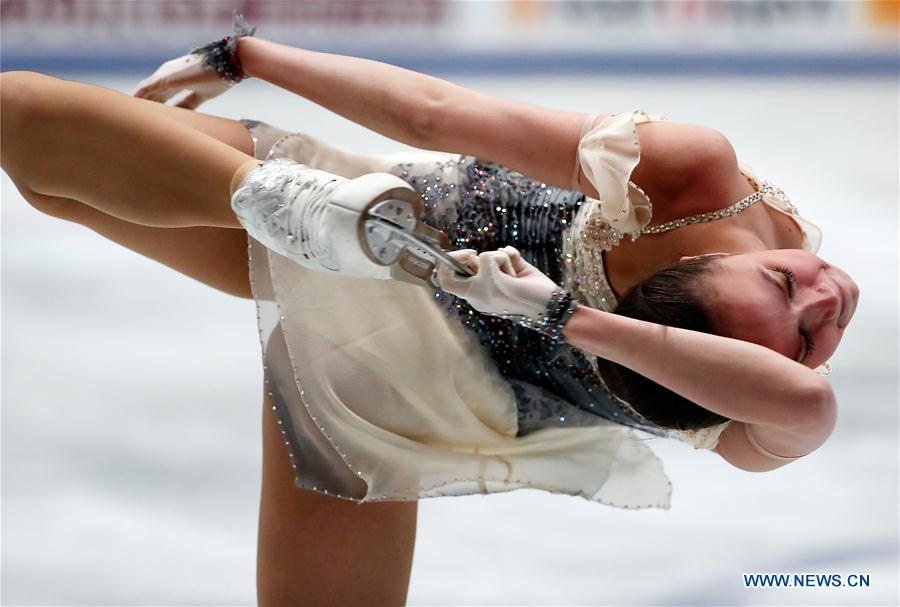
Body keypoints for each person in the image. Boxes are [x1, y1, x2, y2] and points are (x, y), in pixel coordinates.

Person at [0, 17, 857, 604]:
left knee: (38, 143)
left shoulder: (765, 414)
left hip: (407, 379)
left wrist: (558, 314)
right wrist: (247, 56)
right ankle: (287, 204)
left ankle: (301, 210)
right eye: (784, 282)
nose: (828, 291)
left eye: (807, 330)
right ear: (705, 251)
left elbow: (808, 401)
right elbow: (438, 113)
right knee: (33, 143)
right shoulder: (690, 179)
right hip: (396, 214)